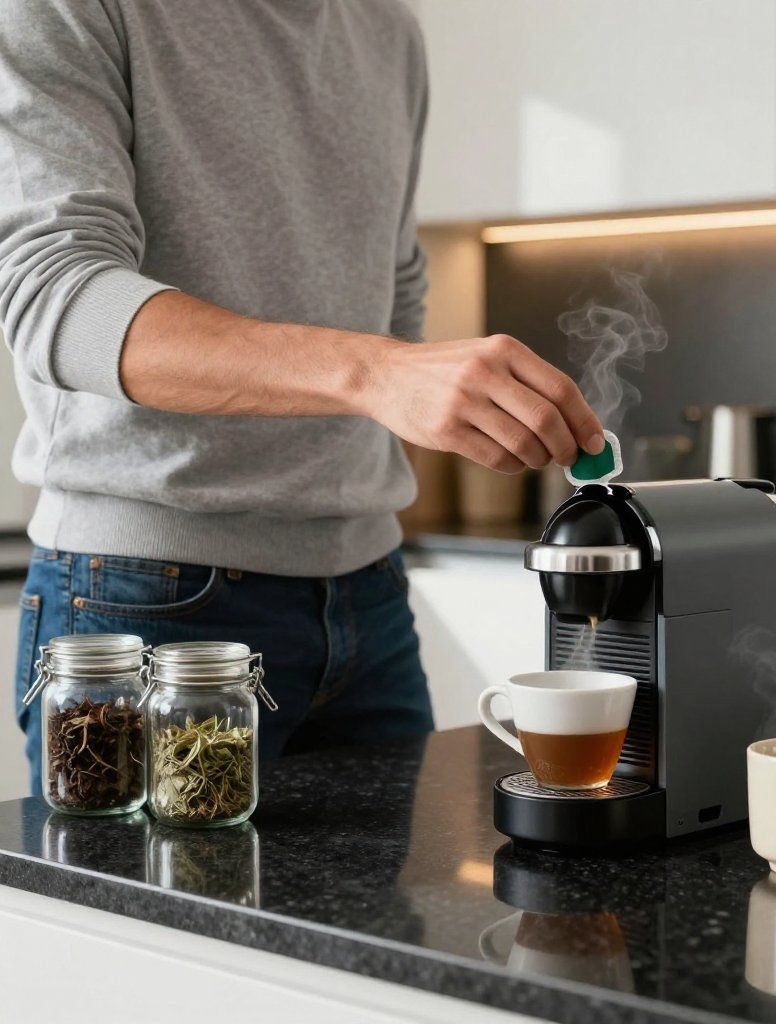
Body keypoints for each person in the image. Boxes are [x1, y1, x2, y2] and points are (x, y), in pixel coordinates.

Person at [0, 0, 604, 789]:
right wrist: (376, 373)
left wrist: (434, 393)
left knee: (375, 917)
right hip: (145, 599)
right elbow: (57, 295)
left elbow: (391, 280)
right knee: (150, 915)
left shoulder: (386, 28)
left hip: (369, 590)